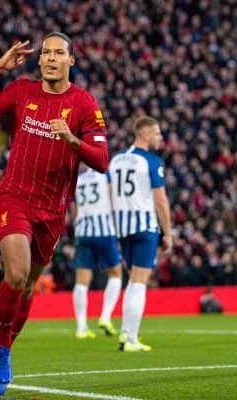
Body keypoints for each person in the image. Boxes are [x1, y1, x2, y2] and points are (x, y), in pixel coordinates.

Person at [0, 32, 110, 396]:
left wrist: (73, 141)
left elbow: (103, 161)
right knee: (15, 275)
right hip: (14, 198)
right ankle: (0, 348)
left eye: (58, 53)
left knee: (29, 284)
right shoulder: (22, 91)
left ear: (70, 61)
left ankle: (7, 347)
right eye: (45, 52)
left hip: (52, 211)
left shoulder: (84, 104)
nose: (49, 58)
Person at [109, 115, 173, 352]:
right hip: (145, 226)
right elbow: (161, 201)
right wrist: (168, 233)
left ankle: (126, 333)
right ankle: (131, 338)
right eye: (157, 133)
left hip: (123, 228)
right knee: (139, 282)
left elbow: (109, 194)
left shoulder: (115, 160)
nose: (160, 137)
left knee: (132, 281)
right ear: (144, 134)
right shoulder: (151, 161)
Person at [70, 166, 122, 339]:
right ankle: (105, 317)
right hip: (104, 230)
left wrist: (77, 227)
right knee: (116, 273)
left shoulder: (76, 179)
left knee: (82, 280)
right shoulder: (105, 174)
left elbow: (73, 209)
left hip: (82, 231)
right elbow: (114, 199)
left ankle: (81, 327)